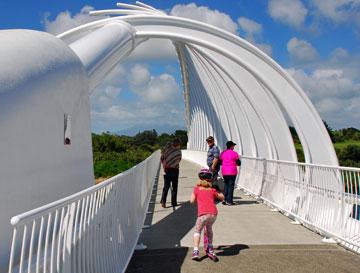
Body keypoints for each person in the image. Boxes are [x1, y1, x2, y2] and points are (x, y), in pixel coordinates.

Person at [190, 168, 224, 261]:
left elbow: (191, 201)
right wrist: (217, 190)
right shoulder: (212, 190)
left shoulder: (197, 189)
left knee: (197, 231)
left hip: (203, 214)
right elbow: (222, 197)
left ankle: (196, 251)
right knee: (209, 228)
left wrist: (197, 196)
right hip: (213, 214)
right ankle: (210, 247)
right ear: (210, 179)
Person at [160, 138, 182, 208]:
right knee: (174, 187)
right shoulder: (179, 152)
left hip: (167, 170)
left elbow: (162, 158)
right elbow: (179, 160)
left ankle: (163, 201)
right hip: (175, 170)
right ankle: (174, 202)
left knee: (166, 187)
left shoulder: (167, 150)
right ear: (178, 144)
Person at [219, 140, 241, 205]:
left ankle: (225, 200)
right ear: (231, 146)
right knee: (231, 186)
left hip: (224, 171)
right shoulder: (235, 153)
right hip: (232, 172)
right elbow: (238, 163)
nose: (234, 147)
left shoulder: (223, 153)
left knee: (226, 185)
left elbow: (220, 162)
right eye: (233, 145)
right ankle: (229, 201)